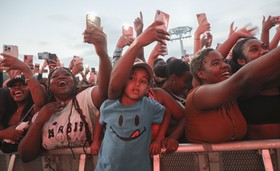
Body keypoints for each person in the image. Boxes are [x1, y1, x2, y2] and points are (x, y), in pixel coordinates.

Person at [18, 25, 112, 163]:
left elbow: (104, 90)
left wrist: (102, 53)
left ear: (75, 82)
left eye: (67, 74)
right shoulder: (43, 113)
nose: (61, 77)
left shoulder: (85, 98)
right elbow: (25, 155)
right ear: (49, 85)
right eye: (55, 76)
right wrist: (39, 122)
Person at [95, 20, 170, 171]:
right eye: (131, 78)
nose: (137, 84)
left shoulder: (148, 105)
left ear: (148, 86)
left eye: (143, 81)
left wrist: (160, 138)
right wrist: (96, 141)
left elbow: (166, 113)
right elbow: (100, 118)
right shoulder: (110, 104)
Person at [186, 41, 280, 144]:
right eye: (216, 63)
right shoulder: (199, 95)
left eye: (224, 61)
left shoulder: (232, 96)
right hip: (203, 159)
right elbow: (243, 79)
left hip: (236, 159)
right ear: (201, 74)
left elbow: (270, 80)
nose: (225, 65)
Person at [229, 37, 280, 140]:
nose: (264, 51)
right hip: (254, 154)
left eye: (264, 47)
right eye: (254, 49)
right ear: (241, 61)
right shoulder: (243, 87)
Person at [0, 54, 45, 153]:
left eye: (23, 85)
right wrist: (4, 134)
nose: (17, 87)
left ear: (30, 89)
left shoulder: (34, 107)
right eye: (13, 85)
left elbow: (40, 101)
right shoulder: (6, 108)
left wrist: (25, 69)